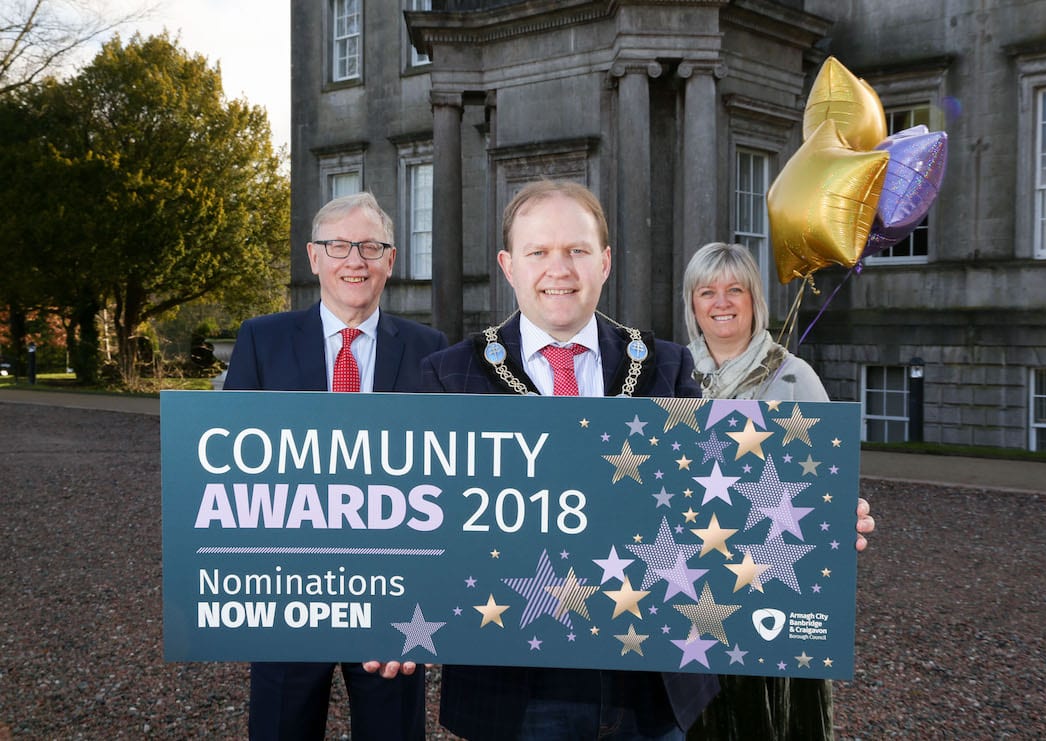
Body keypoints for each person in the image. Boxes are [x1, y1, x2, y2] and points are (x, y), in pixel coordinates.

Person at [415, 180, 720, 739]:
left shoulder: (667, 369)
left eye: (577, 250)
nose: (560, 269)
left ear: (604, 263)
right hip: (514, 687)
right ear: (509, 266)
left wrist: (817, 528)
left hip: (645, 682)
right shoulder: (450, 377)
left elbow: (707, 502)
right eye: (538, 252)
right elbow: (421, 522)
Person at [224, 191, 448, 741]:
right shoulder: (261, 340)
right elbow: (228, 471)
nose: (356, 260)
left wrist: (425, 598)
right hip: (289, 593)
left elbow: (446, 483)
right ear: (314, 256)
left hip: (392, 599)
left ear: (391, 261)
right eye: (340, 245)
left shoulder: (430, 351)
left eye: (371, 247)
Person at [680, 241, 875, 741]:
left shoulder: (794, 379)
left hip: (772, 587)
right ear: (692, 303)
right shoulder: (671, 376)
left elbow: (828, 482)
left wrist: (845, 513)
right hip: (691, 587)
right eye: (708, 292)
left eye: (735, 290)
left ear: (754, 300)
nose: (721, 302)